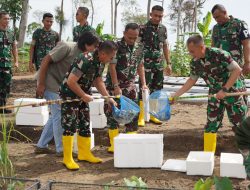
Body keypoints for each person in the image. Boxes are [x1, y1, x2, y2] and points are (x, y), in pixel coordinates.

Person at [171, 35, 248, 153]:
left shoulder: (219, 54)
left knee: (239, 125)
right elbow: (192, 80)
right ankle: (208, 156)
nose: (190, 54)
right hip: (214, 94)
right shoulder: (195, 62)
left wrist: (225, 89)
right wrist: (176, 95)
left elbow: (237, 70)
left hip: (232, 92)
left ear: (201, 47)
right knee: (211, 124)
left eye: (192, 51)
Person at [35, 32, 100, 156]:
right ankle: (62, 149)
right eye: (94, 46)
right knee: (59, 113)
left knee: (55, 114)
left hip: (62, 86)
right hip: (50, 82)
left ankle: (41, 145)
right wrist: (41, 83)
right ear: (86, 45)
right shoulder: (67, 47)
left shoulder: (85, 56)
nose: (96, 49)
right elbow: (45, 60)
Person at [59, 41, 118, 170]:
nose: (112, 60)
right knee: (70, 125)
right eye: (111, 57)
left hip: (83, 94)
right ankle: (67, 158)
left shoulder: (100, 62)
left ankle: (84, 153)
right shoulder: (85, 60)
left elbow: (98, 81)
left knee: (85, 123)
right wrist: (83, 96)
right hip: (70, 95)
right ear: (102, 53)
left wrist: (108, 98)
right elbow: (71, 81)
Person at [105, 23, 148, 153]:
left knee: (133, 113)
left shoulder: (140, 47)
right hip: (115, 85)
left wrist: (144, 83)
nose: (132, 40)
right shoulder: (116, 47)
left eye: (135, 38)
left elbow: (140, 66)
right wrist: (116, 86)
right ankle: (113, 144)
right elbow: (112, 67)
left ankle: (130, 141)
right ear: (124, 33)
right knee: (113, 114)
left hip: (130, 86)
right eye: (130, 37)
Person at [138, 5, 171, 126]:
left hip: (158, 65)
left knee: (157, 90)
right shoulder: (142, 28)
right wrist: (138, 63)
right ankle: (141, 116)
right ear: (151, 14)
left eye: (160, 16)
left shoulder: (163, 29)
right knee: (144, 88)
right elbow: (138, 47)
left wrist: (169, 63)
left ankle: (152, 115)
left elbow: (165, 46)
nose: (158, 18)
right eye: (155, 15)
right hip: (145, 64)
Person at [211, 4, 250, 75]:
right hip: (219, 66)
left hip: (235, 65)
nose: (216, 20)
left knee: (236, 85)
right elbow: (213, 46)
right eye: (214, 18)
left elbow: (246, 44)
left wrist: (247, 62)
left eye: (218, 17)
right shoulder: (215, 28)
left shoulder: (239, 24)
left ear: (225, 12)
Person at [0, 12, 18, 114]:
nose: (7, 21)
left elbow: (14, 48)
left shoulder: (11, 33)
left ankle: (3, 107)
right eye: (5, 19)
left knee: (6, 86)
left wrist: (16, 61)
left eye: (8, 19)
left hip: (7, 65)